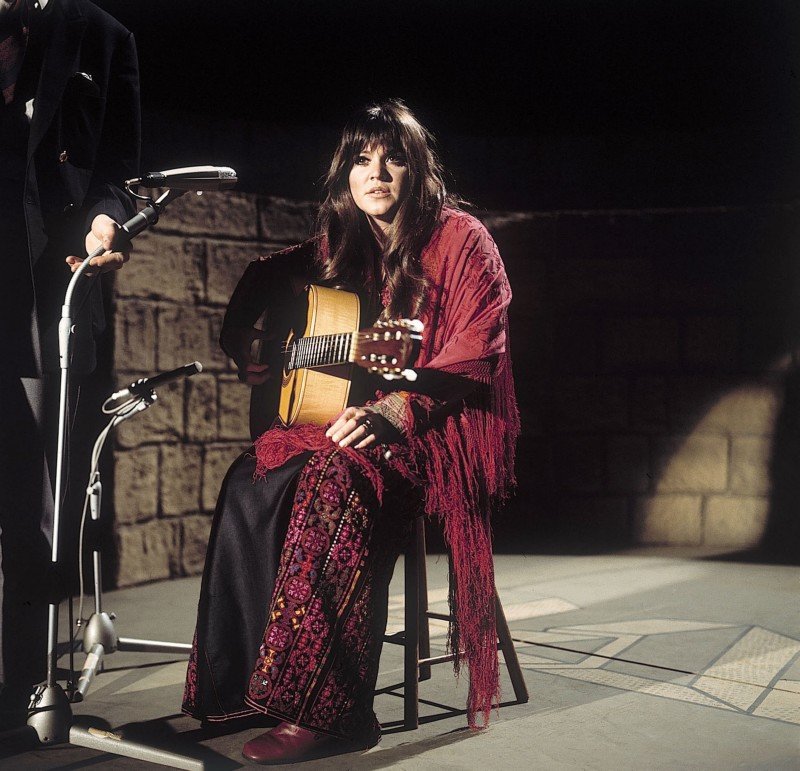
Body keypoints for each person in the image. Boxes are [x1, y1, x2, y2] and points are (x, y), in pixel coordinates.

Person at [182, 100, 519, 764]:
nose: (377, 174)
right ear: (345, 174)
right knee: (252, 478)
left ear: (419, 169)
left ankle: (332, 713)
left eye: (393, 159)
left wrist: (399, 409)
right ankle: (251, 686)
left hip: (435, 428)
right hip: (356, 421)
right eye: (362, 160)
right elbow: (265, 274)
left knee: (332, 479)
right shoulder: (346, 244)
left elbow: (479, 345)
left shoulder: (462, 238)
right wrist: (242, 337)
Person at [0, 0, 139, 727]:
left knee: (32, 502)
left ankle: (24, 686)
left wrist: (107, 219)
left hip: (41, 295)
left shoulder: (101, 36)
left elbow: (119, 170)